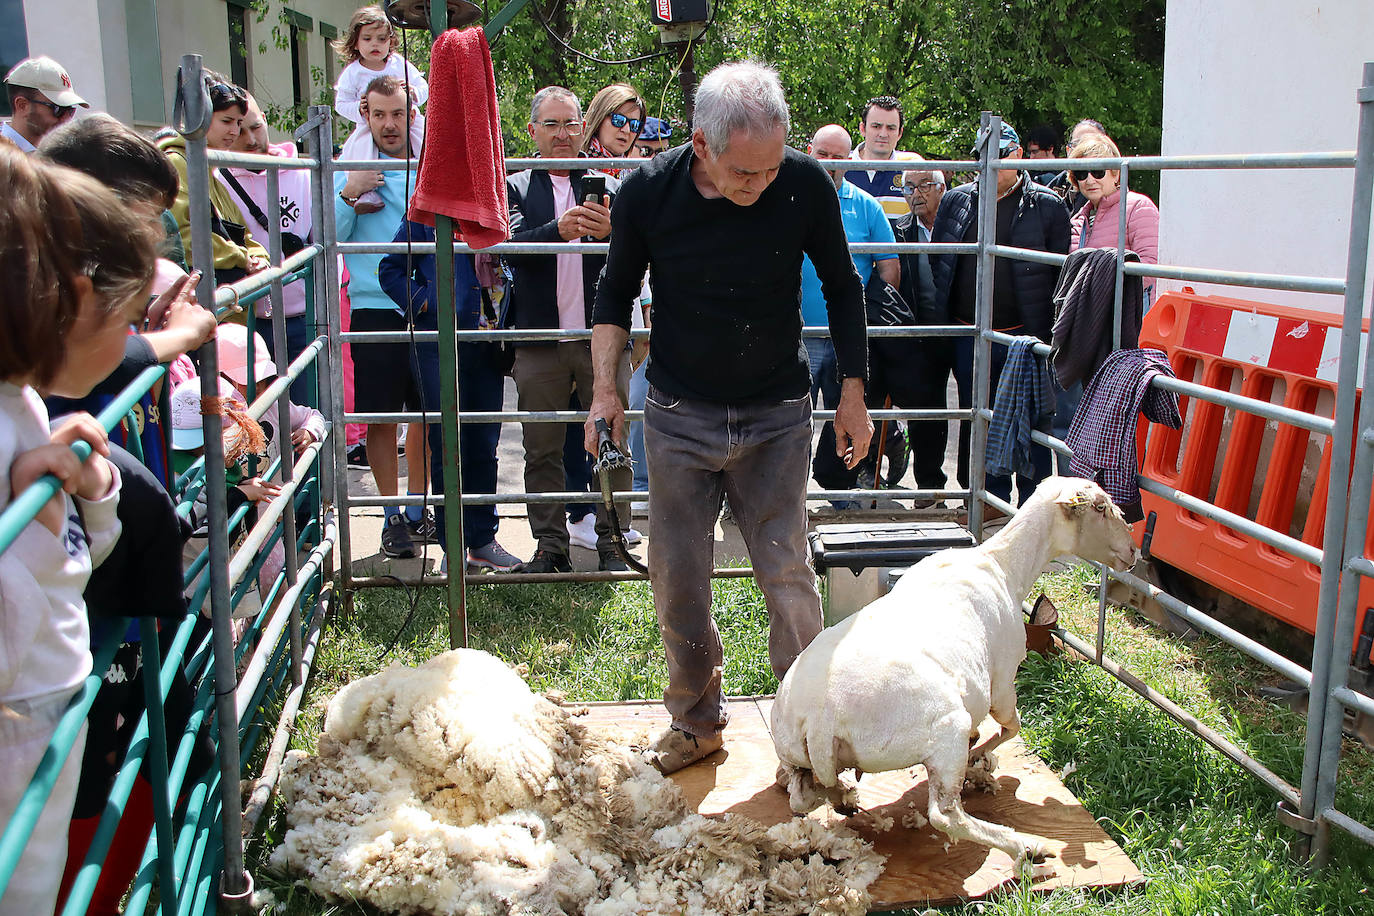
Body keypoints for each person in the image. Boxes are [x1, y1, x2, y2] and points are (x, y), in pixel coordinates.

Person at [585, 61, 873, 773]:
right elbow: (614, 293)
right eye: (747, 173)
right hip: (680, 411)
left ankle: (808, 731)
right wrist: (605, 391)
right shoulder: (649, 190)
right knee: (677, 575)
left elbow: (842, 287)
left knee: (788, 572)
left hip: (777, 411)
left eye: (772, 168)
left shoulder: (804, 182)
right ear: (702, 143)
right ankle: (696, 722)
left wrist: (855, 391)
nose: (762, 184)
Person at [0, 146, 157, 915]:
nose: (130, 340)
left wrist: (95, 489)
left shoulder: (26, 406)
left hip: (41, 713)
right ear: (75, 296)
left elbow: (65, 561)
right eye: (127, 320)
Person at [505, 86, 630, 574]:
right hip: (539, 341)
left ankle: (612, 544)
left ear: (585, 128)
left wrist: (611, 233)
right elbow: (507, 243)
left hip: (602, 339)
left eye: (571, 124)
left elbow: (638, 251)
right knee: (541, 450)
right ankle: (550, 548)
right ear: (532, 131)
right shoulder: (515, 185)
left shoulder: (609, 185)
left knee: (611, 443)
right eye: (552, 125)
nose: (562, 134)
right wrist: (558, 231)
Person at [929, 121, 1070, 508]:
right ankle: (982, 500)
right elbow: (939, 261)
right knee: (977, 415)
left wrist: (1048, 335)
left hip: (1024, 337)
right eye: (983, 156)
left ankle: (1031, 506)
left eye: (1000, 155)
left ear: (1018, 155)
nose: (991, 163)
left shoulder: (1047, 204)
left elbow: (1060, 274)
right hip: (967, 333)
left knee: (1030, 417)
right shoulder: (958, 200)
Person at [379, 218, 521, 571]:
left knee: (485, 443)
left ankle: (483, 540)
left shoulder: (498, 204)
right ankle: (452, 546)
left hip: (489, 339)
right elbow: (390, 269)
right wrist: (427, 300)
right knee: (446, 443)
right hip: (439, 344)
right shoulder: (424, 210)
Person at [334, 75, 433, 559]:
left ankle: (418, 509)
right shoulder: (353, 163)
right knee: (381, 417)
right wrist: (350, 191)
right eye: (379, 114)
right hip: (374, 306)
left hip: (427, 303)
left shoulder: (428, 161)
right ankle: (391, 515)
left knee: (428, 413)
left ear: (412, 113)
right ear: (365, 116)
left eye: (398, 113)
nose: (389, 124)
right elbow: (327, 232)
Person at [219, 92, 316, 401]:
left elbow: (321, 241)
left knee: (305, 410)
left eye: (256, 127)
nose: (249, 138)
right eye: (238, 127)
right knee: (253, 414)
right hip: (246, 320)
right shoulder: (216, 178)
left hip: (302, 317)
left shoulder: (300, 172)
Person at [802, 124, 898, 410]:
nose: (830, 163)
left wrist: (868, 317)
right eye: (823, 154)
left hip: (846, 337)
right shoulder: (790, 200)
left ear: (849, 161)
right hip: (798, 335)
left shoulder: (867, 206)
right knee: (793, 423)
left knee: (841, 425)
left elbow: (890, 268)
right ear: (810, 152)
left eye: (838, 157)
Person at [156, 71, 270, 288]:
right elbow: (179, 238)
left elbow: (243, 234)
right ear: (199, 118)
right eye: (227, 121)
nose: (235, 131)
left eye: (238, 122)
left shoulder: (209, 171)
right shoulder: (177, 165)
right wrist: (243, 257)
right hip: (201, 301)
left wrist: (258, 257)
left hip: (222, 304)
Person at [893, 163, 953, 505]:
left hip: (959, 329)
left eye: (923, 185)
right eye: (908, 187)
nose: (915, 194)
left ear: (941, 188)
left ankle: (972, 487)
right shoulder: (899, 230)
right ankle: (930, 486)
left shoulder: (958, 227)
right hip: (918, 334)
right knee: (926, 412)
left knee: (972, 410)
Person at [333, 4, 427, 212]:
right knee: (357, 149)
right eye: (367, 39)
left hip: (410, 121)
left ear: (391, 42)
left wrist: (414, 94)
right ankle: (366, 192)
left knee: (427, 139)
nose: (375, 44)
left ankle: (429, 181)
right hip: (368, 125)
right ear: (356, 43)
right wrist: (360, 109)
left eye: (382, 39)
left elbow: (424, 87)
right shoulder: (353, 72)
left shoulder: (399, 63)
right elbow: (341, 104)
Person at [845, 95, 919, 224]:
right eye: (876, 126)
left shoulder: (914, 166)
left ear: (900, 133)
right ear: (862, 128)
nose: (883, 134)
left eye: (891, 128)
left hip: (899, 243)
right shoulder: (841, 165)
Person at [2, 55, 87, 152]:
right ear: (22, 105)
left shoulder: (65, 156)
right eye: (58, 109)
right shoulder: (4, 156)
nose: (66, 119)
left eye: (70, 110)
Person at [1045, 118, 1108, 215]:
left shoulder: (1110, 188)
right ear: (1068, 151)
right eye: (1077, 144)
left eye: (1091, 145)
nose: (1083, 151)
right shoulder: (1057, 184)